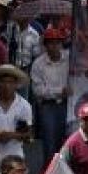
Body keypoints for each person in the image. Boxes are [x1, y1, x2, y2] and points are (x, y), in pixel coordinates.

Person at [29, 32, 69, 161]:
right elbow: (38, 90)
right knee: (50, 143)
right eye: (51, 43)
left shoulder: (71, 59)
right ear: (45, 45)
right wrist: (59, 91)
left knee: (67, 141)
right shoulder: (38, 64)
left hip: (68, 104)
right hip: (48, 106)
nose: (54, 46)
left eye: (57, 43)